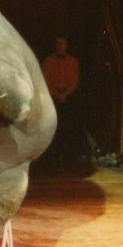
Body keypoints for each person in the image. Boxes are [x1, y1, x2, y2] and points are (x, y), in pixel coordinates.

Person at [41, 36, 82, 167]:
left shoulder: (73, 62)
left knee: (68, 126)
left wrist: (65, 94)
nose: (60, 46)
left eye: (62, 44)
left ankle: (67, 156)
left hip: (68, 97)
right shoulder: (48, 61)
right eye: (57, 44)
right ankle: (51, 156)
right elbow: (45, 80)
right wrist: (56, 94)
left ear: (66, 45)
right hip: (53, 97)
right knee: (52, 127)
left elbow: (75, 80)